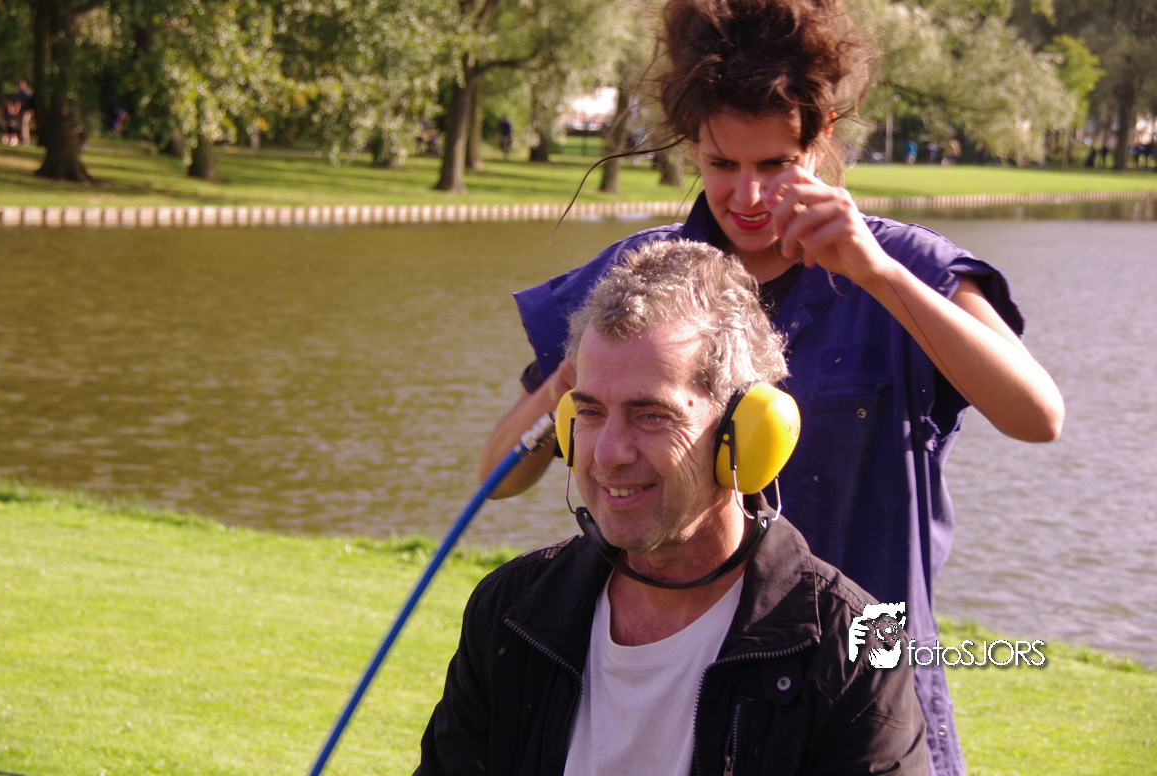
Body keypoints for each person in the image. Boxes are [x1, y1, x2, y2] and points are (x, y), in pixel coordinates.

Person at [475, 0, 1065, 773]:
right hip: (678, 693)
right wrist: (582, 375)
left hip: (868, 681)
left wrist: (879, 276)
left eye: (775, 165)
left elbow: (1038, 416)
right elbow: (498, 476)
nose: (748, 197)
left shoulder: (908, 267)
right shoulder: (638, 276)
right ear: (693, 145)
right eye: (723, 165)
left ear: (821, 139)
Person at [418, 240, 928, 775]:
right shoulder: (509, 612)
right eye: (590, 413)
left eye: (651, 416)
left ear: (745, 435)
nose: (608, 455)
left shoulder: (857, 651)